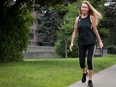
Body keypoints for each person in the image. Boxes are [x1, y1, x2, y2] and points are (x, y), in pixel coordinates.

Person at [70, 0, 103, 87]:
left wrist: (100, 41)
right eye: (82, 7)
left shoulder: (91, 17)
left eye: (85, 7)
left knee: (89, 60)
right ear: (80, 8)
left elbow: (95, 30)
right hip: (81, 43)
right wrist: (72, 43)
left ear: (88, 9)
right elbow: (75, 31)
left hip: (91, 42)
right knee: (81, 61)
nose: (83, 8)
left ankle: (90, 80)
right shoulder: (78, 19)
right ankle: (85, 73)